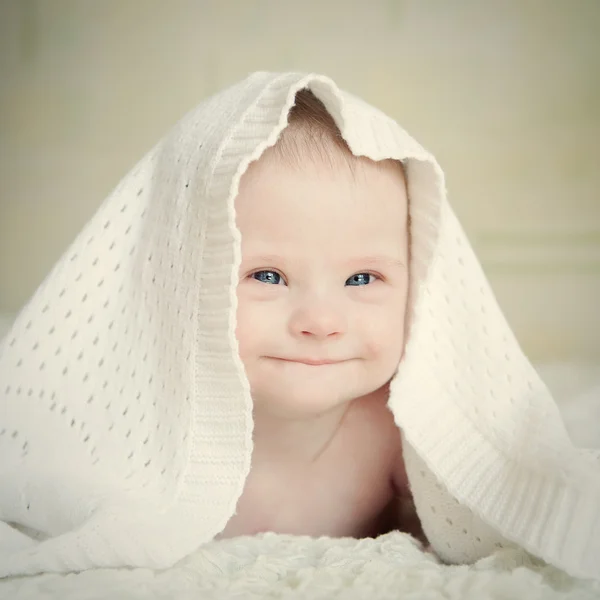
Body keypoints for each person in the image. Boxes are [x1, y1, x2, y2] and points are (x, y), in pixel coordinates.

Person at [0, 72, 597, 580]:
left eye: (362, 279)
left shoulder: (401, 435)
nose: (320, 321)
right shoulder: (140, 430)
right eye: (268, 276)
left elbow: (489, 512)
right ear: (185, 285)